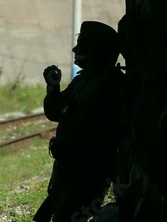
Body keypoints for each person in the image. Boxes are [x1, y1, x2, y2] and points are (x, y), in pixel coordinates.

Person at [33, 21, 127, 222]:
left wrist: (88, 174)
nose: (76, 49)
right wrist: (53, 87)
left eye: (82, 44)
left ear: (97, 49)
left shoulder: (112, 83)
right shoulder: (83, 80)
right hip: (67, 168)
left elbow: (111, 138)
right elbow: (56, 112)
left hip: (86, 172)